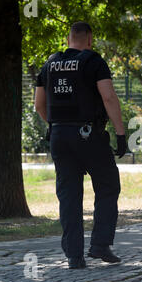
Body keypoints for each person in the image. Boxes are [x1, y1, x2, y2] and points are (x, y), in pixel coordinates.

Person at [34, 22, 127, 269]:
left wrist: (57, 125)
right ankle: (100, 244)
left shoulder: (49, 64)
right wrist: (120, 134)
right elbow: (108, 97)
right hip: (88, 134)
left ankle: (74, 256)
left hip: (58, 136)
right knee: (108, 185)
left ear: (68, 39)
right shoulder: (93, 61)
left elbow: (39, 105)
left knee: (69, 196)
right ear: (89, 39)